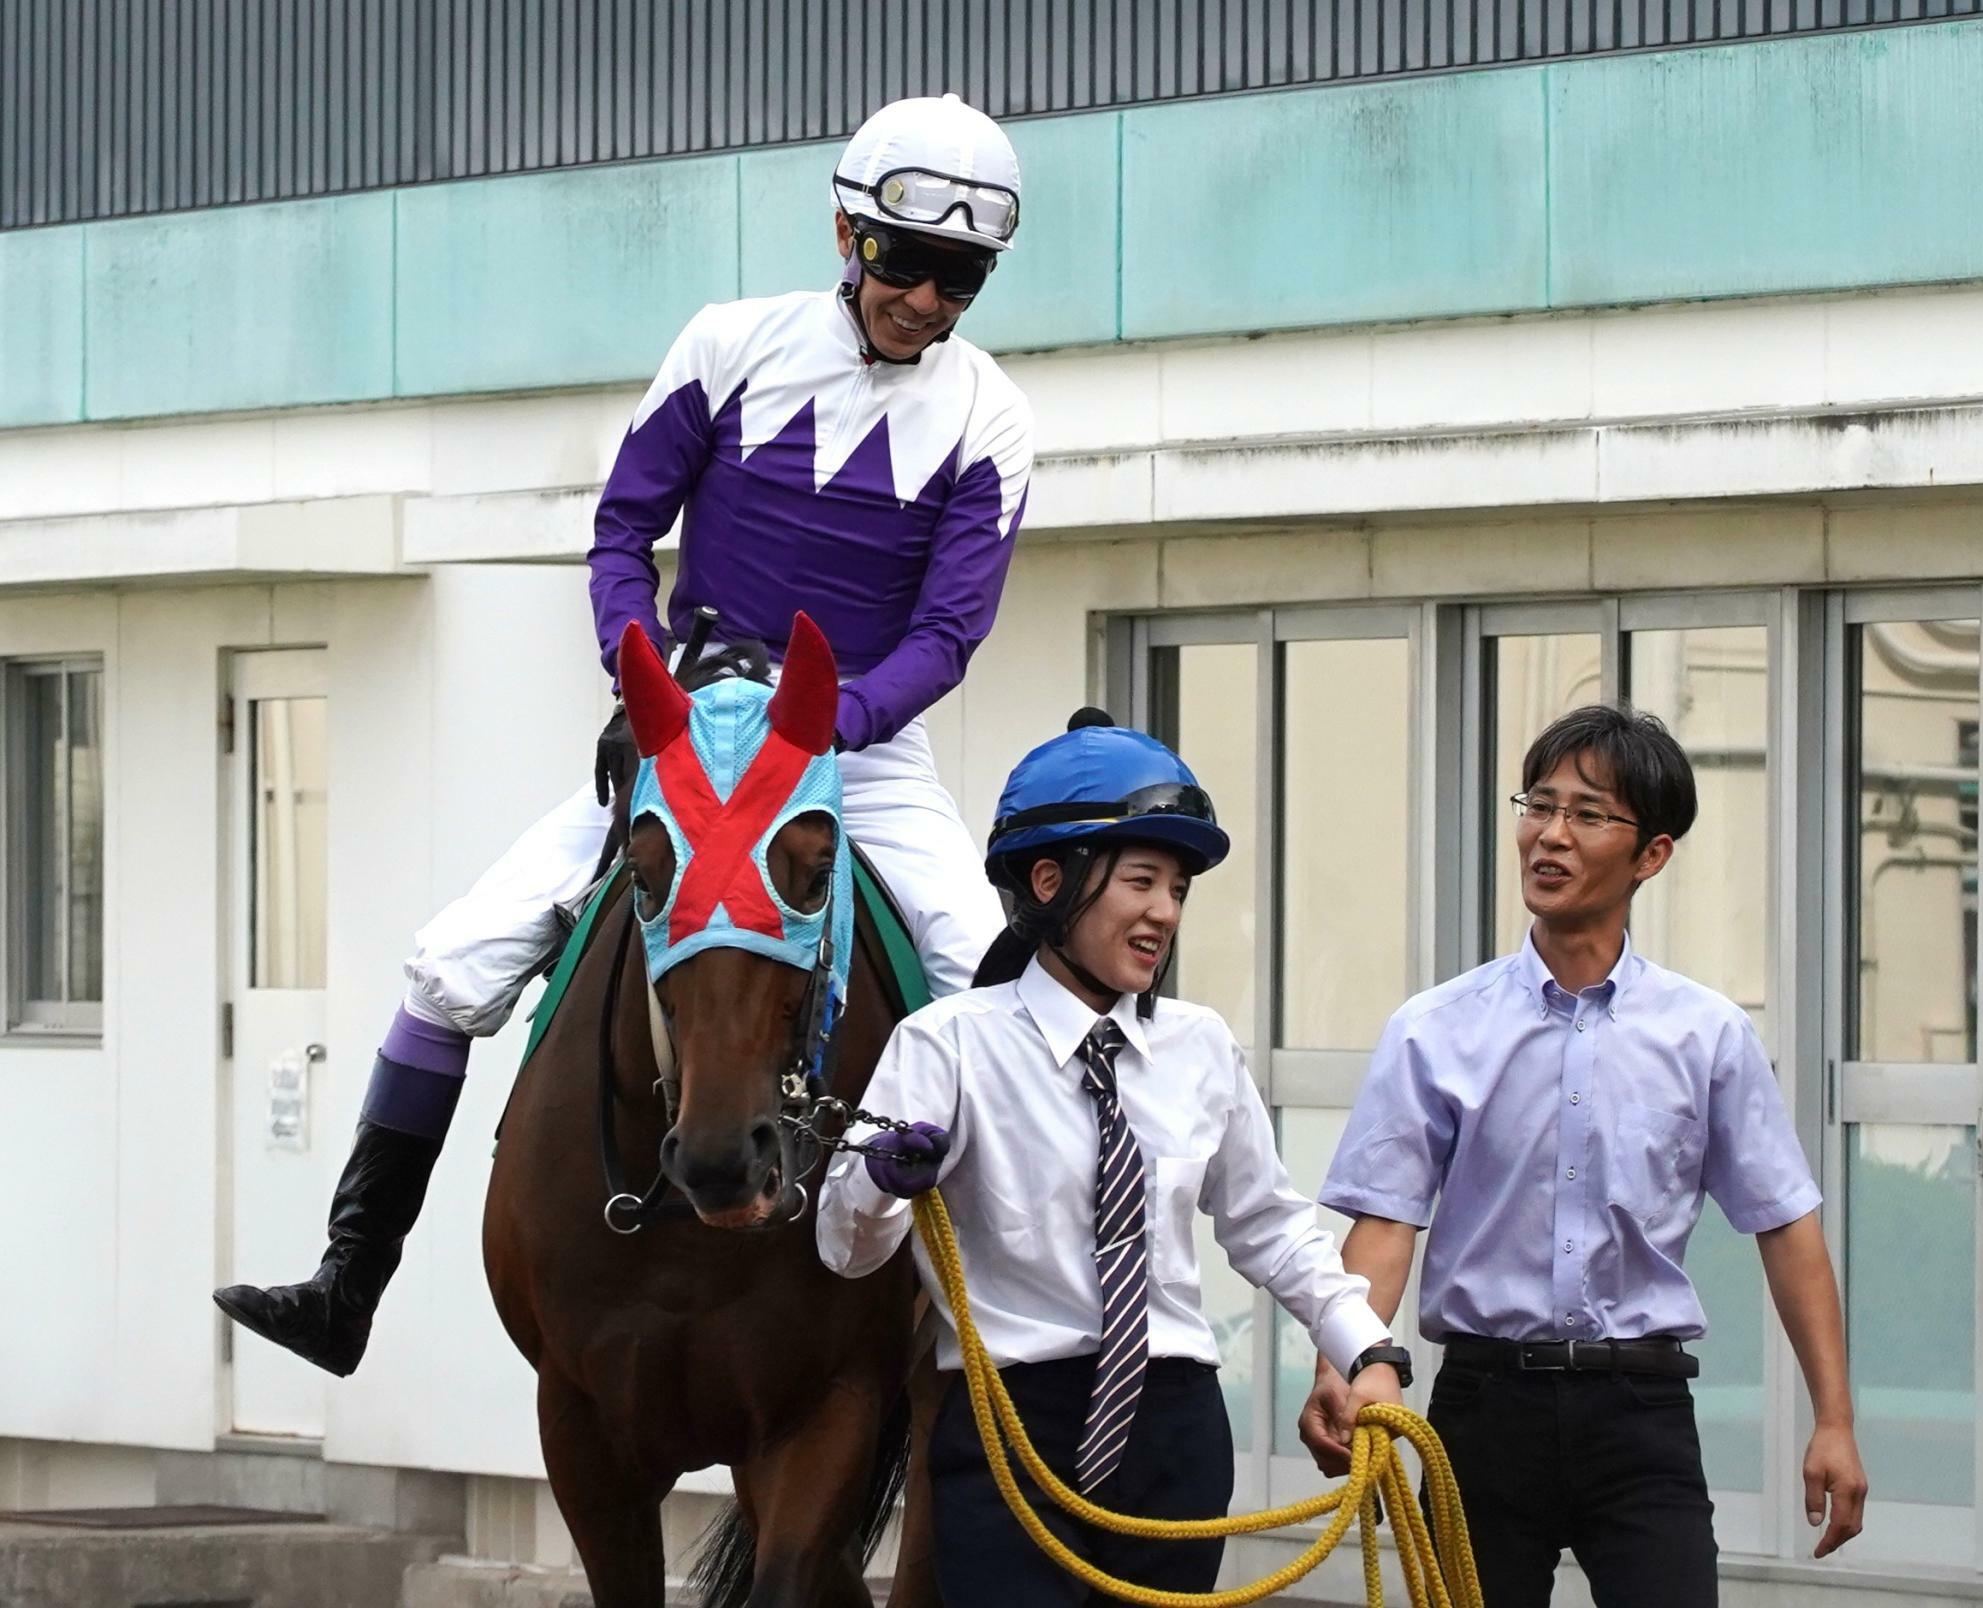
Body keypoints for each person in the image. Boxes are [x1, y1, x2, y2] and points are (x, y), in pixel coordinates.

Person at [215, 92, 1034, 1377]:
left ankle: (993, 1339)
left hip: (857, 757)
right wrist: (636, 675)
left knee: (997, 977)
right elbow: (619, 534)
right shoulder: (726, 344)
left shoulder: (988, 414)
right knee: (447, 968)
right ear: (844, 231)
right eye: (903, 261)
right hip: (690, 735)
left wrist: (828, 729)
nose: (925, 300)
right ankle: (346, 1287)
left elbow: (947, 634)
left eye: (960, 277)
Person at [817, 712, 1411, 1606]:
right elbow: (846, 1249)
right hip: (1013, 1433)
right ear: (1049, 882)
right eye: (1141, 881)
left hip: (1175, 1435)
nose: (1164, 913)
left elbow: (1272, 1229)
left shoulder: (1201, 1046)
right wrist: (880, 1181)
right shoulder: (946, 1044)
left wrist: (1368, 1349)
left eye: (1177, 888)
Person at [1299, 704, 1868, 1606]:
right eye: (1539, 805)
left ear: (1653, 854)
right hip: (1482, 1412)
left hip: (1642, 1415)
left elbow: (1786, 1227)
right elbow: (1386, 1221)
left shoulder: (1707, 1034)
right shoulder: (1436, 1029)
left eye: (1588, 815)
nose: (1550, 836)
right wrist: (1344, 1363)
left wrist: (1834, 1420)